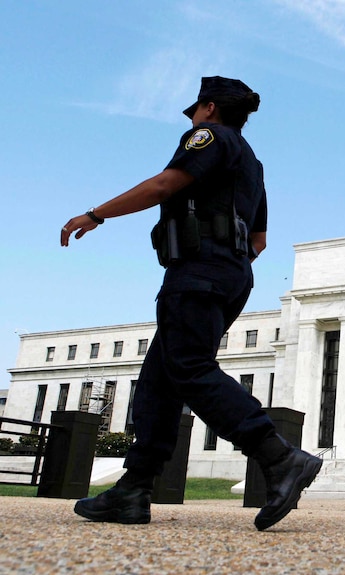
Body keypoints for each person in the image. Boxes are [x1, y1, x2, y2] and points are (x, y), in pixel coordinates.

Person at [60, 76, 321, 531]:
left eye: (196, 110)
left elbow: (164, 184)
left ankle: (278, 457)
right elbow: (259, 240)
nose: (193, 118)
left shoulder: (209, 138)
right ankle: (133, 491)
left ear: (210, 108)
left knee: (191, 369)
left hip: (199, 270)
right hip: (232, 271)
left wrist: (97, 214)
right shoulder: (253, 164)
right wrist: (223, 253)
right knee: (160, 383)